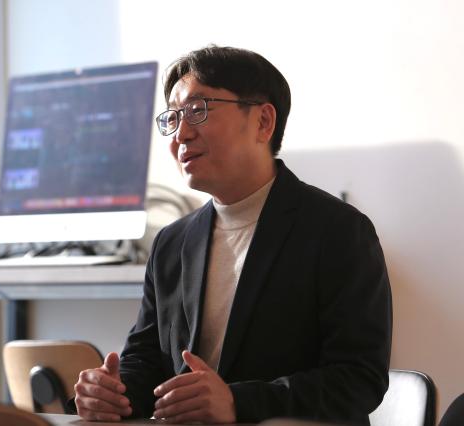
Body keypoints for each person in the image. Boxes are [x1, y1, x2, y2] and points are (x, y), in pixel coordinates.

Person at [73, 45, 392, 425]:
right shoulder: (172, 242)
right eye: (172, 118)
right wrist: (115, 393)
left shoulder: (338, 231)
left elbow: (359, 379)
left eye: (196, 110)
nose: (182, 133)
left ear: (263, 122)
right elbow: (146, 361)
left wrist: (238, 403)